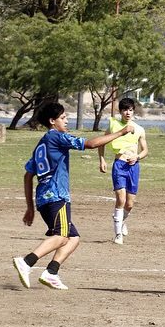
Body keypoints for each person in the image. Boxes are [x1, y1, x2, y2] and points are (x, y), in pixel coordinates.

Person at [12, 102, 134, 290]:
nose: (67, 121)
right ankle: (27, 262)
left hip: (43, 199)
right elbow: (91, 144)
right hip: (57, 197)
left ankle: (51, 272)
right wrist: (121, 132)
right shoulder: (58, 137)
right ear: (52, 121)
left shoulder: (41, 143)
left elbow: (28, 175)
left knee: (73, 238)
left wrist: (30, 207)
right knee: (61, 236)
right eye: (63, 118)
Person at [98, 98, 147, 245]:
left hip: (133, 167)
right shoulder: (114, 126)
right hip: (119, 165)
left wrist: (137, 156)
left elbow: (145, 150)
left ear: (133, 111)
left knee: (130, 204)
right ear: (120, 111)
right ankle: (118, 234)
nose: (128, 112)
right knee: (121, 199)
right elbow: (102, 141)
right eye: (125, 110)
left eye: (130, 110)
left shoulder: (139, 129)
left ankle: (122, 220)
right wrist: (102, 159)